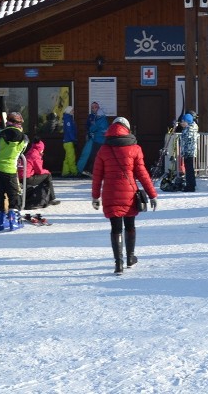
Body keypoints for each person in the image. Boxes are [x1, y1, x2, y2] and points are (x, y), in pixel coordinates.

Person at [91, 117, 158, 274]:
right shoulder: (134, 148)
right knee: (130, 225)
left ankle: (118, 263)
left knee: (115, 228)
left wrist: (95, 196)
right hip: (129, 193)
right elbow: (142, 174)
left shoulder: (103, 149)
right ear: (127, 129)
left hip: (110, 193)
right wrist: (152, 194)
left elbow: (97, 176)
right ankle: (130, 257)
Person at [0, 112, 28, 230]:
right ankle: (14, 221)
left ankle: (0, 222)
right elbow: (22, 151)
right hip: (11, 170)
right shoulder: (23, 137)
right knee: (13, 195)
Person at [21, 137, 61, 209]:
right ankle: (51, 198)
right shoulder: (35, 155)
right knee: (47, 175)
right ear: (41, 148)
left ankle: (42, 196)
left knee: (42, 175)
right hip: (27, 178)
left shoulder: (30, 152)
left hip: (21, 177)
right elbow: (39, 171)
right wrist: (47, 171)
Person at [79, 101, 109, 176]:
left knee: (93, 155)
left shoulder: (99, 120)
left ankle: (88, 170)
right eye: (92, 107)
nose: (94, 109)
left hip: (97, 140)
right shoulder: (104, 120)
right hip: (103, 140)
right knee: (100, 156)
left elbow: (92, 128)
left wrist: (91, 130)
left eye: (96, 108)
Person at [179, 113, 199, 192]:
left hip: (189, 152)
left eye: (183, 122)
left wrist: (186, 152)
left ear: (187, 122)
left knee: (189, 169)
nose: (182, 123)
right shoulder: (188, 129)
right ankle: (191, 184)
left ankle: (190, 186)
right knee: (189, 169)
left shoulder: (189, 130)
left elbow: (188, 141)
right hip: (188, 151)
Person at [61, 106, 78, 177]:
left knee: (67, 158)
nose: (73, 112)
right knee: (71, 158)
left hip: (67, 141)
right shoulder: (68, 119)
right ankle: (74, 172)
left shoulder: (68, 118)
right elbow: (69, 130)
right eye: (72, 110)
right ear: (69, 111)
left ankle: (65, 172)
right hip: (69, 141)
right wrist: (73, 139)